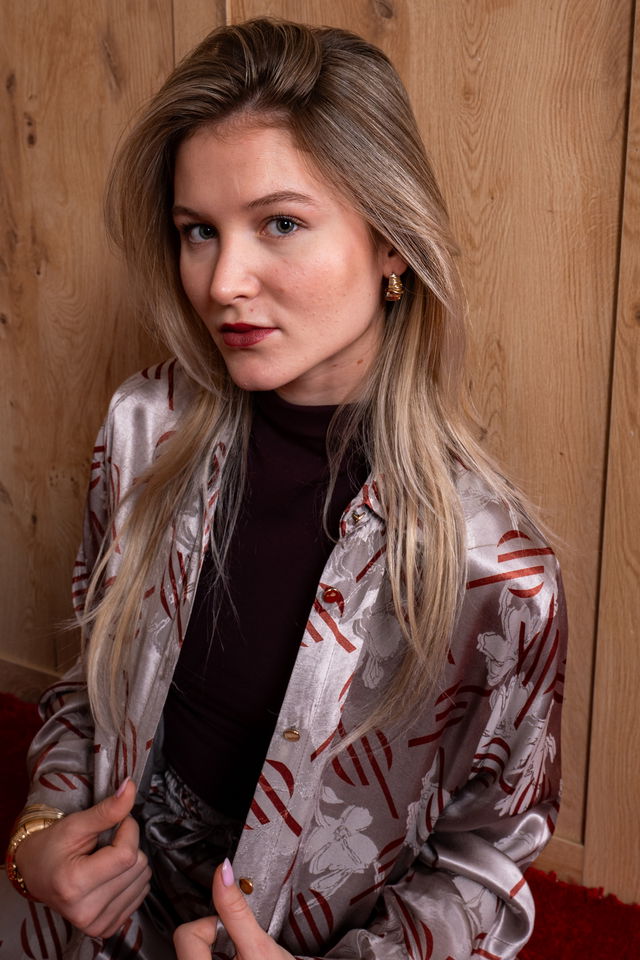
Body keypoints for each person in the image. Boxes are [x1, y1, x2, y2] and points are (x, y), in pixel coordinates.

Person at [1, 17, 567, 960]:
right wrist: (40, 836)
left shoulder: (496, 572)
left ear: (391, 242)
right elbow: (90, 688)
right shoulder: (143, 429)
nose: (224, 281)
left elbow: (487, 866)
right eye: (198, 231)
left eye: (281, 224)